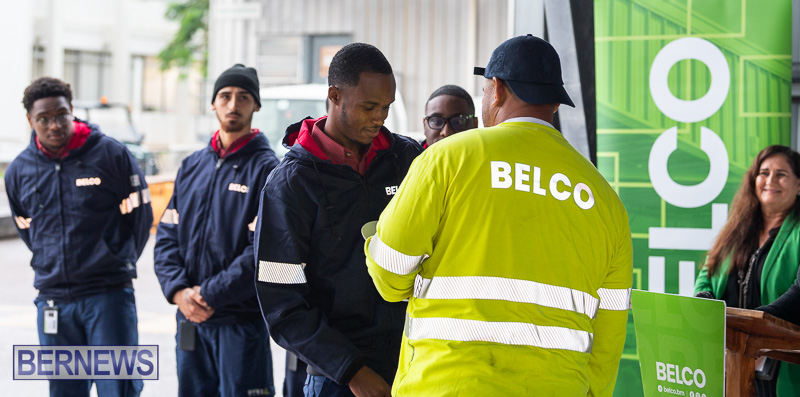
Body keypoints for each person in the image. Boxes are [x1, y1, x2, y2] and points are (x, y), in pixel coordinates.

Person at [365, 34, 633, 396]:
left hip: (446, 384)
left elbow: (389, 274)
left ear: (497, 89)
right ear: (554, 102)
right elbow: (609, 332)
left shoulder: (447, 160)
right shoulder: (604, 198)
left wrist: (374, 241)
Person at [255, 43, 423, 397]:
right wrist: (351, 371)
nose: (380, 118)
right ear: (334, 95)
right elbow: (282, 302)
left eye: (386, 108)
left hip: (415, 364)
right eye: (369, 107)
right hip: (339, 378)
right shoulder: (290, 185)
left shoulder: (407, 159)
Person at [5, 77, 153, 397]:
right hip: (53, 301)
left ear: (72, 110)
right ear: (30, 120)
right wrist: (50, 261)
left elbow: (141, 217)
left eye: (60, 115)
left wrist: (116, 257)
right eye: (43, 119)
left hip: (108, 296)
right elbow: (26, 227)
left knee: (120, 388)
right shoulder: (19, 170)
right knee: (65, 391)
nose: (54, 125)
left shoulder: (111, 155)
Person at [154, 64, 279, 397]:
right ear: (213, 104)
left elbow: (262, 250)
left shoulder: (269, 170)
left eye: (243, 97)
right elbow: (167, 234)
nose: (233, 104)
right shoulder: (193, 165)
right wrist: (179, 291)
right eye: (225, 96)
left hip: (239, 321)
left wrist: (209, 294)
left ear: (256, 106)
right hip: (190, 318)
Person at [695, 145, 800, 396]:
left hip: (780, 371)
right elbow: (707, 275)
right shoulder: (737, 228)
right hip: (725, 363)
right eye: (763, 172)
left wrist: (753, 332)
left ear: (798, 185)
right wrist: (702, 302)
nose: (770, 180)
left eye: (781, 174)